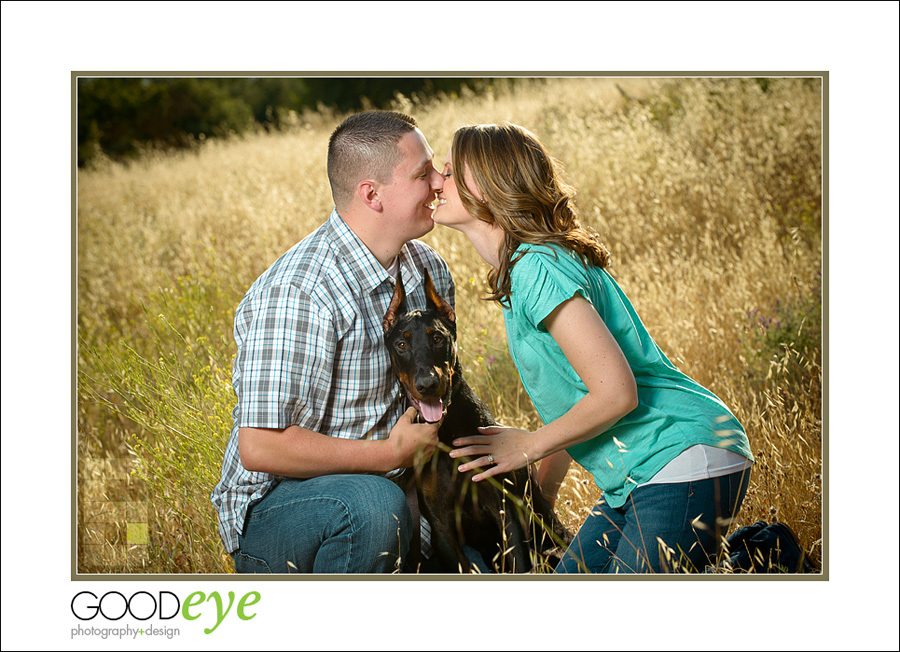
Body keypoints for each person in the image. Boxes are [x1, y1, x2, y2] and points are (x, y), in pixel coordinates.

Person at [432, 122, 754, 574]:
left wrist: (528, 447)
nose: (435, 179)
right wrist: (542, 493)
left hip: (680, 458)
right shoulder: (523, 268)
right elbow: (582, 393)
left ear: (485, 185)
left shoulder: (535, 268)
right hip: (638, 477)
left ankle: (773, 559)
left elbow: (617, 393)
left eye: (448, 171)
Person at [211, 110, 454, 573]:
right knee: (370, 505)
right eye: (424, 173)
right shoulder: (301, 291)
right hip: (285, 511)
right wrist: (389, 456)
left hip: (398, 491)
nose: (440, 182)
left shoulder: (428, 270)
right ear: (372, 194)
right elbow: (260, 446)